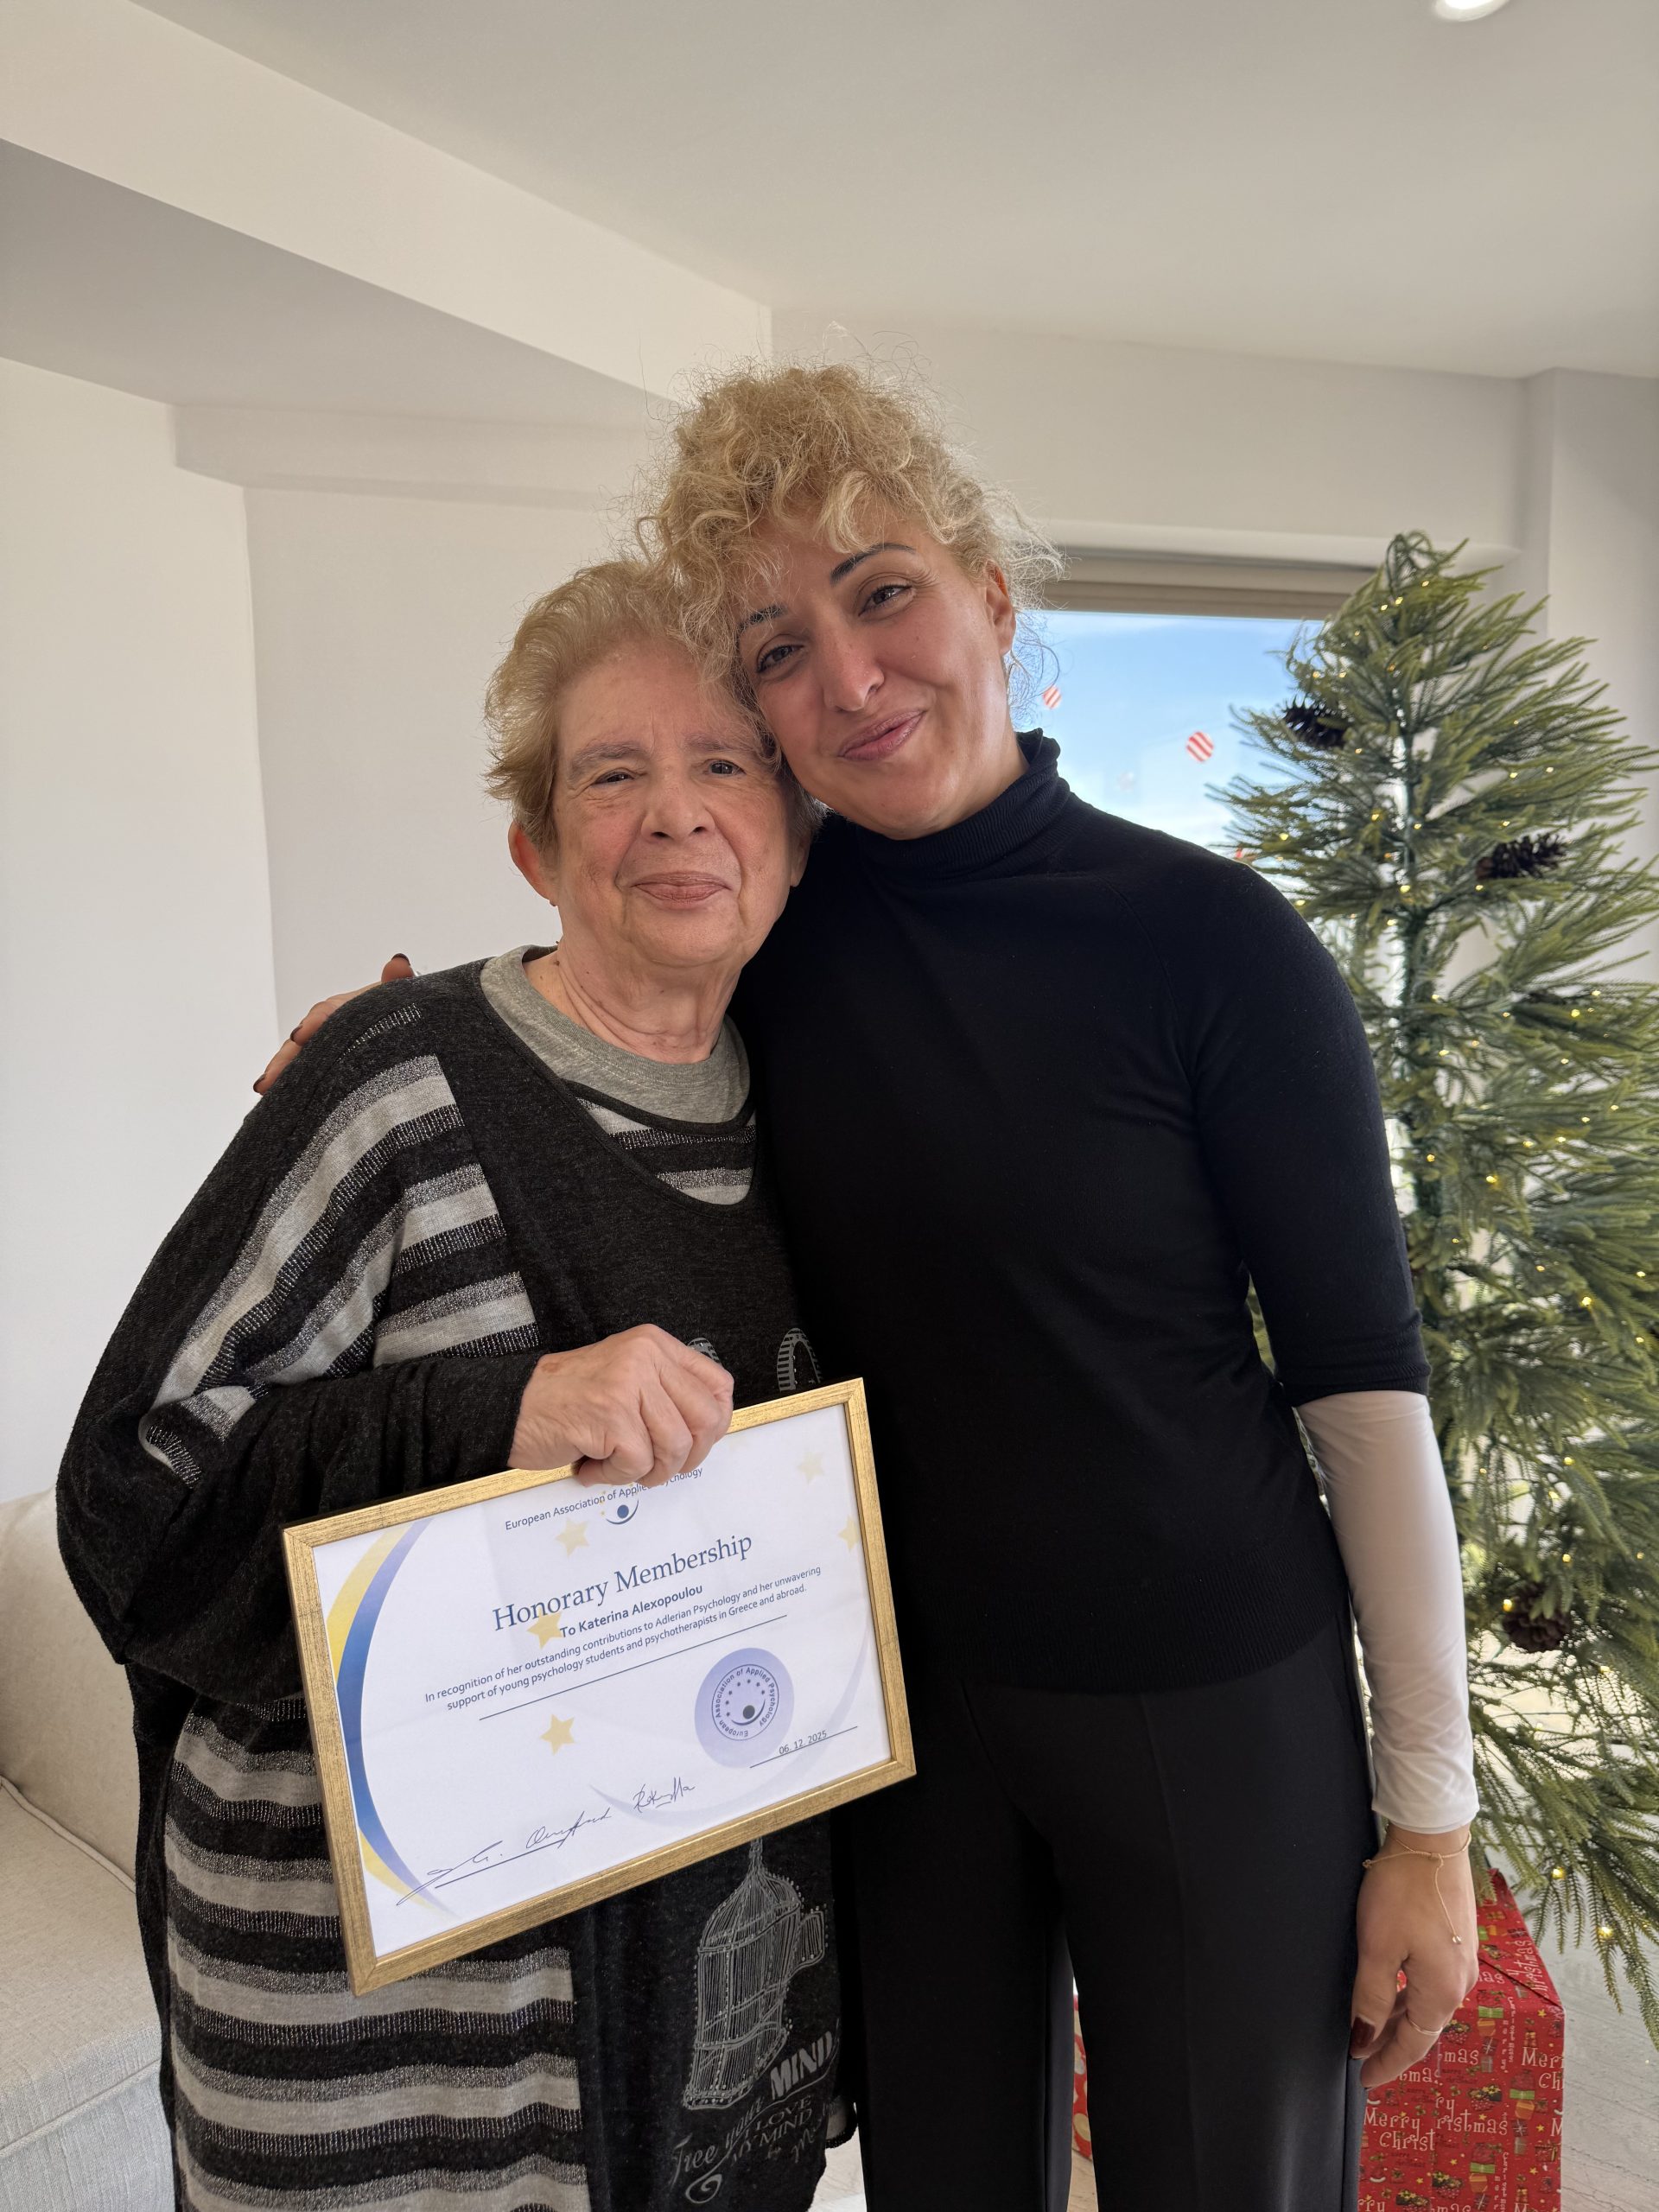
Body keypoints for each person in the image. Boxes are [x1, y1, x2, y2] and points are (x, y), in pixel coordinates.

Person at [263, 362, 1484, 2212]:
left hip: (1212, 1696)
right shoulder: (779, 933)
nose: (847, 676)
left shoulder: (1216, 946)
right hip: (893, 1710)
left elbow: (1366, 1396)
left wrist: (1431, 1821)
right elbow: (600, 990)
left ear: (990, 598)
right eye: (778, 647)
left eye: (884, 592)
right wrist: (395, 1036)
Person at [57, 562, 844, 2212]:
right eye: (612, 774)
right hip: (380, 2059)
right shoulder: (395, 1081)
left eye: (726, 763)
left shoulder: (827, 1122)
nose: (677, 812)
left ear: (794, 828)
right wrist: (497, 1415)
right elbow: (133, 1497)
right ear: (537, 850)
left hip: (680, 2046)